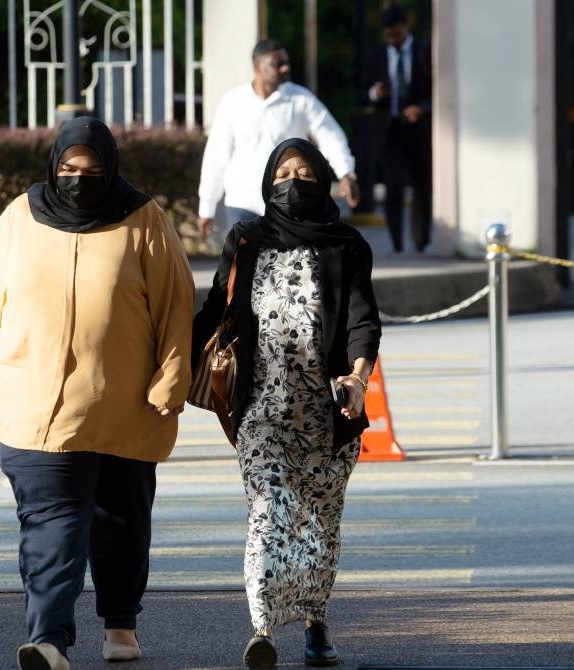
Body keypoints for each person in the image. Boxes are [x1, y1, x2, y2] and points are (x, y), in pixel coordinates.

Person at [0, 117, 195, 670]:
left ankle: (120, 624)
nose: (79, 179)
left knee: (121, 522)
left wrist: (172, 378)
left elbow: (175, 305)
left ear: (110, 168)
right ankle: (48, 641)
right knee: (51, 526)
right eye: (68, 169)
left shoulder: (143, 220)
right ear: (53, 166)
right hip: (35, 406)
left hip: (126, 406)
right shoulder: (21, 216)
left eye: (90, 170)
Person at [192, 138, 382, 669]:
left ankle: (316, 624)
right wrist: (169, 366)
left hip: (328, 413)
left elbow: (364, 321)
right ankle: (263, 628)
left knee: (319, 520)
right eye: (281, 173)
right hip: (262, 409)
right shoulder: (247, 239)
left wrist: (358, 379)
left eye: (302, 173)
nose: (291, 183)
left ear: (322, 180)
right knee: (268, 510)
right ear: (267, 182)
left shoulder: (345, 245)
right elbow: (215, 310)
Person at [196, 38, 361, 246]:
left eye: (286, 63)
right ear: (258, 67)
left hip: (289, 205)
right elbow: (216, 156)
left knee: (289, 273)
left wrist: (346, 172)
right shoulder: (233, 102)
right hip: (242, 204)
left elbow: (330, 136)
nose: (285, 68)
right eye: (277, 64)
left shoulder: (300, 99)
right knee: (242, 273)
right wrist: (206, 208)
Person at [364, 2, 432, 253]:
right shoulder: (377, 55)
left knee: (421, 186)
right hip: (389, 129)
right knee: (392, 188)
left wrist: (422, 108)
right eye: (388, 35)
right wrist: (375, 92)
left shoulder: (425, 52)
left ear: (406, 28)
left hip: (419, 129)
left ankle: (420, 241)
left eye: (397, 33)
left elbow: (439, 89)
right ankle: (397, 244)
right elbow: (363, 91)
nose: (392, 39)